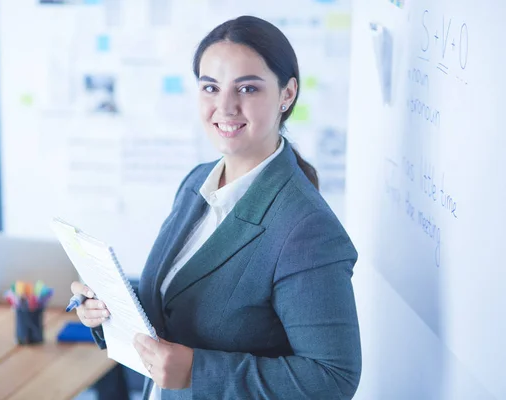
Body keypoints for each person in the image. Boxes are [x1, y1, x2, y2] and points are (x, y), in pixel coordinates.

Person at [70, 15, 361, 400]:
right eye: (211, 87)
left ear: (287, 94)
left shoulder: (306, 228)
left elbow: (333, 377)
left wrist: (198, 371)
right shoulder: (197, 181)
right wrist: (109, 307)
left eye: (248, 88)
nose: (225, 107)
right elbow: (180, 301)